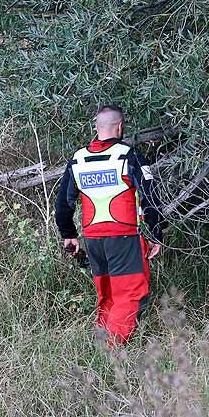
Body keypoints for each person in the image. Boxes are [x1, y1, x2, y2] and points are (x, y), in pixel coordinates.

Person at [54, 104, 164, 345]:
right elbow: (151, 197)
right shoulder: (129, 156)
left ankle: (101, 343)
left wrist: (69, 234)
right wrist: (156, 234)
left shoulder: (78, 160)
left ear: (97, 128)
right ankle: (110, 352)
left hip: (92, 238)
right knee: (130, 294)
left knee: (108, 295)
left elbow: (63, 203)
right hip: (123, 238)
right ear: (120, 127)